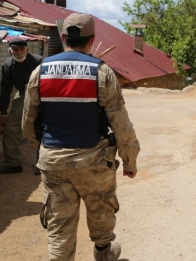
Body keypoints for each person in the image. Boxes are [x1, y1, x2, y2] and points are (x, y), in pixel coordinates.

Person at [22, 13, 140, 261]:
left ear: (63, 37)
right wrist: (129, 161)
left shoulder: (39, 72)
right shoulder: (102, 73)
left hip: (53, 161)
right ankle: (104, 251)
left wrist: (43, 149)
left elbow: (27, 124)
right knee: (101, 209)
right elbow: (121, 124)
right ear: (93, 39)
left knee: (59, 226)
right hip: (94, 161)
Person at [0, 37, 43, 174]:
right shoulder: (8, 66)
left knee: (41, 126)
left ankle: (42, 165)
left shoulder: (39, 61)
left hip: (41, 93)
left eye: (21, 49)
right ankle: (13, 163)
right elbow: (5, 90)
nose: (19, 52)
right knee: (10, 127)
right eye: (15, 50)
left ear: (27, 50)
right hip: (23, 93)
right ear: (10, 52)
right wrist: (3, 113)